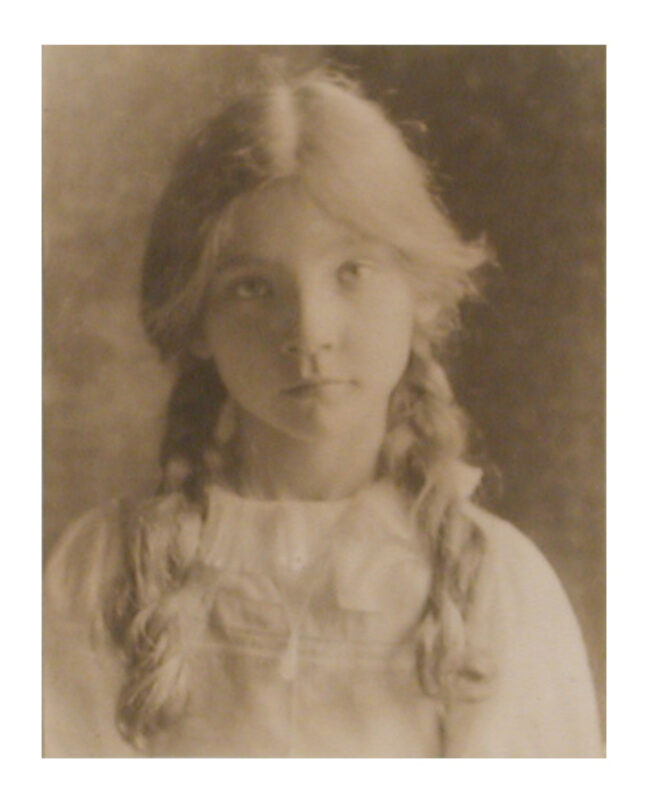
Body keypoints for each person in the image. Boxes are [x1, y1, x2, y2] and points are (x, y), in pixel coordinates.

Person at [43, 69, 602, 757]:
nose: (309, 332)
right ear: (195, 323)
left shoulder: (495, 589)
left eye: (352, 273)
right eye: (253, 288)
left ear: (420, 293)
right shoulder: (104, 575)